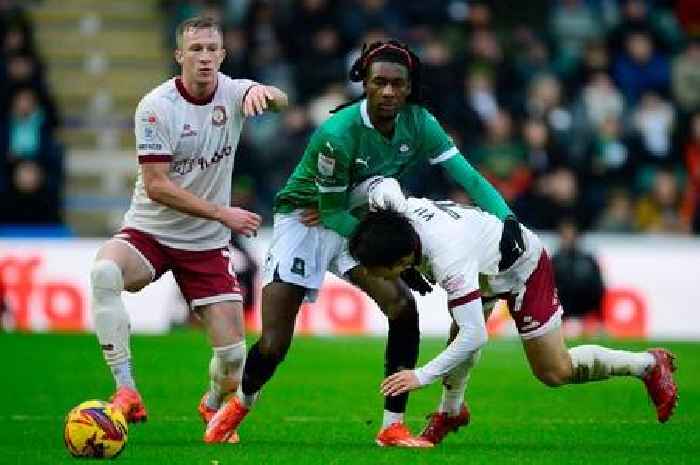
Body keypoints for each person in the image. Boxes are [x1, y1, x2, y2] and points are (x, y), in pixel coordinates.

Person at [204, 40, 517, 447]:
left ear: (408, 87)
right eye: (379, 83)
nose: (388, 92)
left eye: (397, 84)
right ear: (364, 85)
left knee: (403, 307)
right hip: (306, 220)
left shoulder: (420, 123)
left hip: (354, 221)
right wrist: (395, 256)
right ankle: (236, 402)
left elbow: (470, 178)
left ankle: (391, 426)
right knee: (275, 342)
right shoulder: (338, 133)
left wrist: (507, 218)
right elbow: (330, 213)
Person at [348, 177, 678, 445]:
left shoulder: (447, 258)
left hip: (521, 267)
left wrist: (421, 375)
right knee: (456, 336)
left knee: (553, 372)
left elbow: (475, 336)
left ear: (403, 260)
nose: (374, 277)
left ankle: (648, 365)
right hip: (483, 262)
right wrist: (327, 200)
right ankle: (450, 413)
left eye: (378, 271)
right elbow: (380, 182)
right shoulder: (395, 210)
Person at [89, 16, 288, 444]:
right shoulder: (156, 106)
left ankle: (212, 403)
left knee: (234, 360)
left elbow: (280, 100)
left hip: (204, 244)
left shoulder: (234, 92)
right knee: (104, 273)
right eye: (195, 49)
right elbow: (158, 186)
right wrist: (223, 212)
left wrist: (265, 93)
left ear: (222, 54)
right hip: (150, 232)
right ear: (179, 55)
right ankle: (126, 389)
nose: (204, 57)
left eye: (211, 49)